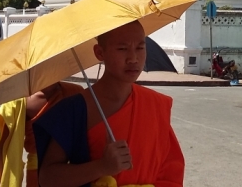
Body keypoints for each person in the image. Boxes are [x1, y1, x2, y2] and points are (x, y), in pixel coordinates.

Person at [33, 21, 184, 187]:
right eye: (122, 49)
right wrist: (101, 167)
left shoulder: (154, 104)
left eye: (140, 48)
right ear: (99, 52)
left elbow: (170, 170)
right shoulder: (75, 108)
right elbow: (47, 178)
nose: (133, 58)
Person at [0, 81, 85, 187]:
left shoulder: (75, 92)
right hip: (36, 173)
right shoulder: (19, 100)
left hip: (68, 170)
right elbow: (3, 149)